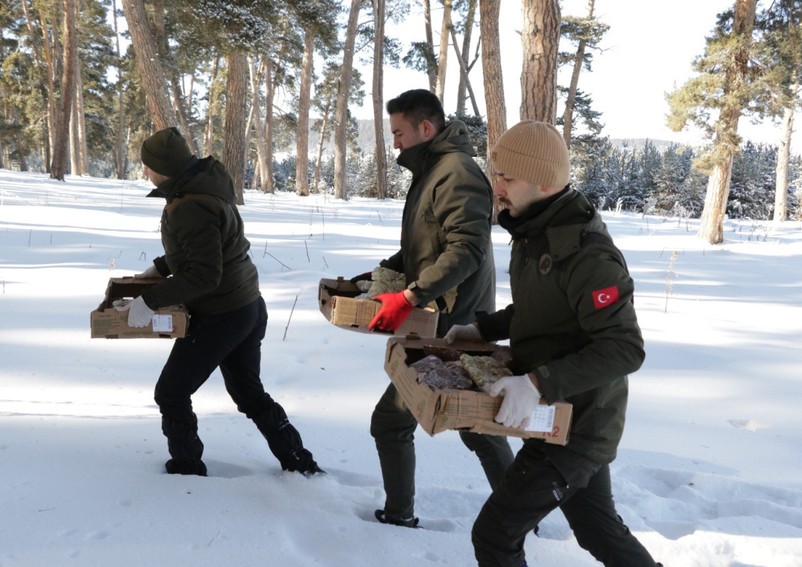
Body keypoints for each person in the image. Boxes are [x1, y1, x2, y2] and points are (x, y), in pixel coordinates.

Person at [445, 120, 660, 566]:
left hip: (578, 424)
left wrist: (537, 383)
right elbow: (543, 309)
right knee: (599, 532)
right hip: (554, 414)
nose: (496, 187)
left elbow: (624, 347)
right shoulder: (532, 228)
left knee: (495, 535)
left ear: (544, 181)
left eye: (507, 178)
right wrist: (485, 330)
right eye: (496, 174)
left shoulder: (588, 254)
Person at [119, 126, 322, 478]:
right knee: (249, 393)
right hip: (246, 306)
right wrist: (161, 266)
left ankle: (186, 468)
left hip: (222, 314)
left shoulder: (189, 204)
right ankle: (299, 463)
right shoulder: (202, 189)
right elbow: (214, 249)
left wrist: (149, 301)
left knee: (171, 393)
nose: (145, 172)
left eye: (148, 166)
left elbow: (204, 275)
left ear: (163, 168)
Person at [355, 89, 514, 528]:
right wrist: (381, 275)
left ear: (426, 127)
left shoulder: (456, 172)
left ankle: (401, 515)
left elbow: (465, 252)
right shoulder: (433, 170)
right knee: (473, 423)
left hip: (454, 323)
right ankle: (521, 510)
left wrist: (409, 296)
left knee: (395, 420)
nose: (396, 143)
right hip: (438, 315)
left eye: (400, 132)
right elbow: (428, 245)